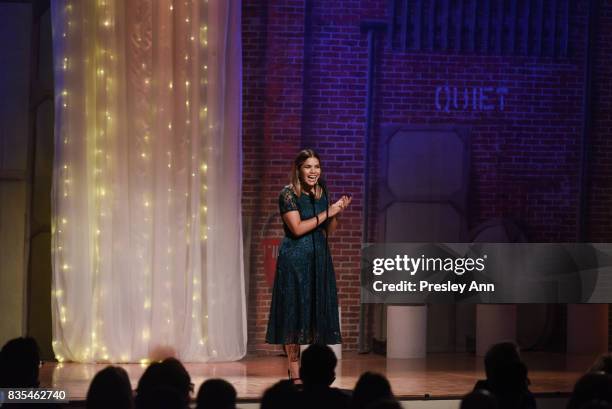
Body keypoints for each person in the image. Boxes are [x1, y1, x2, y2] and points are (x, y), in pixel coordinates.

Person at [265, 149, 351, 382]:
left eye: (317, 167)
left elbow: (328, 230)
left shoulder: (322, 191)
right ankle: (294, 372)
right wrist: (327, 212)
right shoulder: (288, 194)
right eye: (308, 167)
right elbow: (297, 228)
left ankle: (315, 369)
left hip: (319, 259)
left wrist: (336, 213)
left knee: (315, 311)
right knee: (294, 313)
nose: (314, 172)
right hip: (295, 260)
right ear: (298, 169)